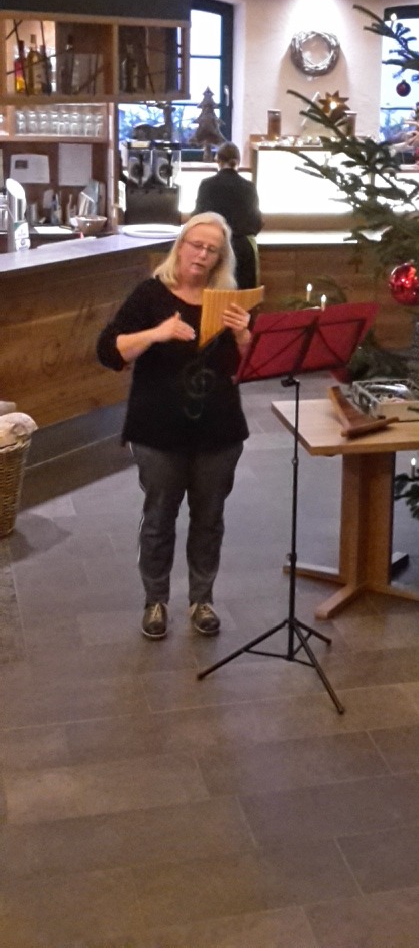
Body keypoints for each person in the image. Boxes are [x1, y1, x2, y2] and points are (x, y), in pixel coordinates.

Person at [97, 212, 251, 641]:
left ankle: (202, 599)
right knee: (159, 517)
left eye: (212, 250)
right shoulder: (150, 294)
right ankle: (155, 601)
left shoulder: (227, 300)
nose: (201, 255)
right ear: (180, 246)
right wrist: (157, 333)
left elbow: (244, 370)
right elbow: (109, 350)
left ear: (221, 258)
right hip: (158, 428)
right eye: (196, 245)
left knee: (210, 518)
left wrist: (244, 338)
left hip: (218, 428)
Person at [194, 142, 262, 289]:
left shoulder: (207, 185)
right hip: (243, 249)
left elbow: (197, 217)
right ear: (238, 161)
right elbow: (256, 223)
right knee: (244, 295)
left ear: (218, 160)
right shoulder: (249, 187)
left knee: (214, 294)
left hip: (214, 247)